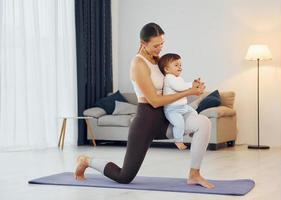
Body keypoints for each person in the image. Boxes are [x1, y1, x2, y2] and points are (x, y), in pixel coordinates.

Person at [74, 22, 215, 189]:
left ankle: (194, 174)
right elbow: (154, 100)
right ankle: (86, 160)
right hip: (146, 121)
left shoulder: (158, 60)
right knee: (124, 176)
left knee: (203, 122)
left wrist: (192, 85)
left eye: (162, 43)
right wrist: (189, 92)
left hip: (166, 118)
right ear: (143, 43)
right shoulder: (138, 64)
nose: (160, 48)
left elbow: (171, 84)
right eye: (156, 45)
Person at [158, 53, 199, 150]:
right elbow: (180, 88)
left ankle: (192, 130)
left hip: (183, 107)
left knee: (194, 112)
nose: (180, 67)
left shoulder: (178, 78)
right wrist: (192, 85)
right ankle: (178, 141)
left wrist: (193, 86)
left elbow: (184, 86)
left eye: (180, 65)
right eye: (176, 65)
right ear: (167, 69)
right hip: (172, 110)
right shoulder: (169, 78)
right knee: (179, 124)